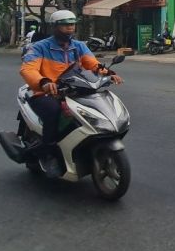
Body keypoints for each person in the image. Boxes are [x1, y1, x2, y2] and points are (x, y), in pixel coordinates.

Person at [20, 10, 122, 174]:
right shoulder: (39, 47)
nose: (70, 28)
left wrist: (108, 73)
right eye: (65, 25)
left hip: (73, 90)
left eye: (72, 24)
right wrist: (44, 82)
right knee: (53, 111)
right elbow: (28, 69)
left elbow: (93, 64)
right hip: (46, 93)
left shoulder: (79, 46)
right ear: (54, 27)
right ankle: (48, 153)